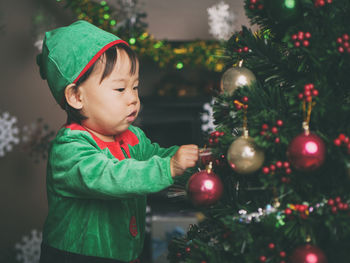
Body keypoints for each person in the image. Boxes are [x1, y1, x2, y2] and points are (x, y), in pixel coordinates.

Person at [36, 20, 199, 263]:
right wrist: (168, 168)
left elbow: (156, 156)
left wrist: (191, 162)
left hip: (125, 253)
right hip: (76, 257)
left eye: (135, 87)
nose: (133, 98)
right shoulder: (69, 148)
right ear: (76, 96)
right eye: (120, 89)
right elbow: (110, 176)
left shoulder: (133, 137)